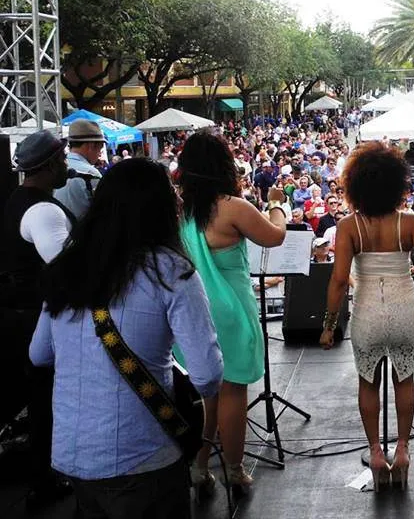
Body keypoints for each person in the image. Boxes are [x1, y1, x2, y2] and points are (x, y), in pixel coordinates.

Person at [30, 158, 223, 518]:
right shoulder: (171, 272)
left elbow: (39, 353)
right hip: (144, 453)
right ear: (161, 208)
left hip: (74, 452)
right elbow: (207, 375)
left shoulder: (66, 268)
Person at [320, 142, 414, 491]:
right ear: (395, 183)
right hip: (406, 308)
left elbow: (339, 280)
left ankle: (375, 453)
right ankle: (402, 450)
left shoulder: (348, 227)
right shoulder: (411, 222)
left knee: (368, 382)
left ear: (355, 185)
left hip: (368, 312)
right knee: (405, 379)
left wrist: (328, 326)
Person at [176, 132, 287, 494]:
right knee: (233, 390)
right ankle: (235, 469)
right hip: (230, 309)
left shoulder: (177, 209)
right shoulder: (233, 206)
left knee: (203, 392)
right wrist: (277, 207)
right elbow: (274, 237)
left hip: (190, 307)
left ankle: (198, 465)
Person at [1, 130, 73, 506]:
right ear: (46, 166)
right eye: (61, 160)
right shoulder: (44, 210)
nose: (65, 166)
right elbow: (64, 267)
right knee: (46, 399)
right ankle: (43, 480)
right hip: (34, 320)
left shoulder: (18, 200)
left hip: (18, 315)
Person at [53, 119, 105, 220]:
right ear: (90, 146)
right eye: (100, 148)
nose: (100, 154)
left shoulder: (56, 168)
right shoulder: (91, 173)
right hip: (82, 232)